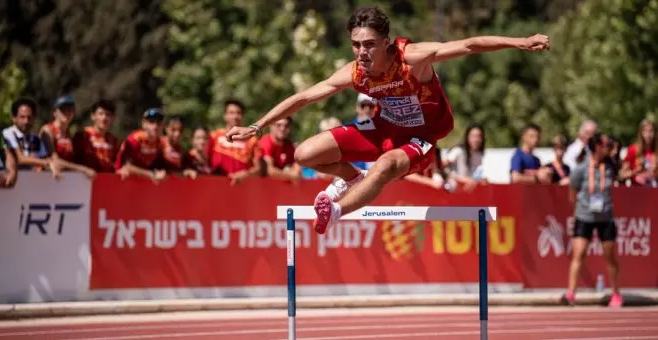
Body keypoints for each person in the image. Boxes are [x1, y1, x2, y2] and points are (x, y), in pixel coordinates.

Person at [226, 7, 550, 233]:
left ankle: (336, 211)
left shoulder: (413, 59)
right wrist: (257, 126)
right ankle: (352, 179)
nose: (361, 52)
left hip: (420, 139)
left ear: (385, 43)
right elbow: (306, 96)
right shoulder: (355, 72)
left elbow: (466, 45)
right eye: (356, 45)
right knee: (305, 154)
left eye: (368, 45)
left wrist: (519, 42)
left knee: (383, 166)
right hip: (383, 128)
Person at [562, 132, 623, 307]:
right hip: (584, 216)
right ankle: (571, 292)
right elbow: (572, 190)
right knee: (578, 254)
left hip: (606, 216)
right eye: (605, 145)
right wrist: (580, 206)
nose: (608, 148)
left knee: (610, 257)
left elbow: (622, 166)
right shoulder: (582, 167)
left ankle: (616, 294)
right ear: (596, 146)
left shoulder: (611, 166)